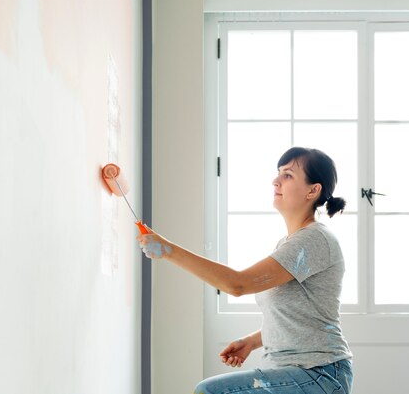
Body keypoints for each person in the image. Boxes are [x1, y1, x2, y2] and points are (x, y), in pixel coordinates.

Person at [138, 147, 353, 394]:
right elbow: (299, 317)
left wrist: (168, 250)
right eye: (278, 173)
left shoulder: (314, 239)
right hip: (299, 371)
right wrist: (251, 342)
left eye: (288, 175)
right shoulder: (289, 243)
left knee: (210, 391)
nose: (276, 180)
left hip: (320, 373)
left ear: (313, 190)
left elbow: (237, 285)